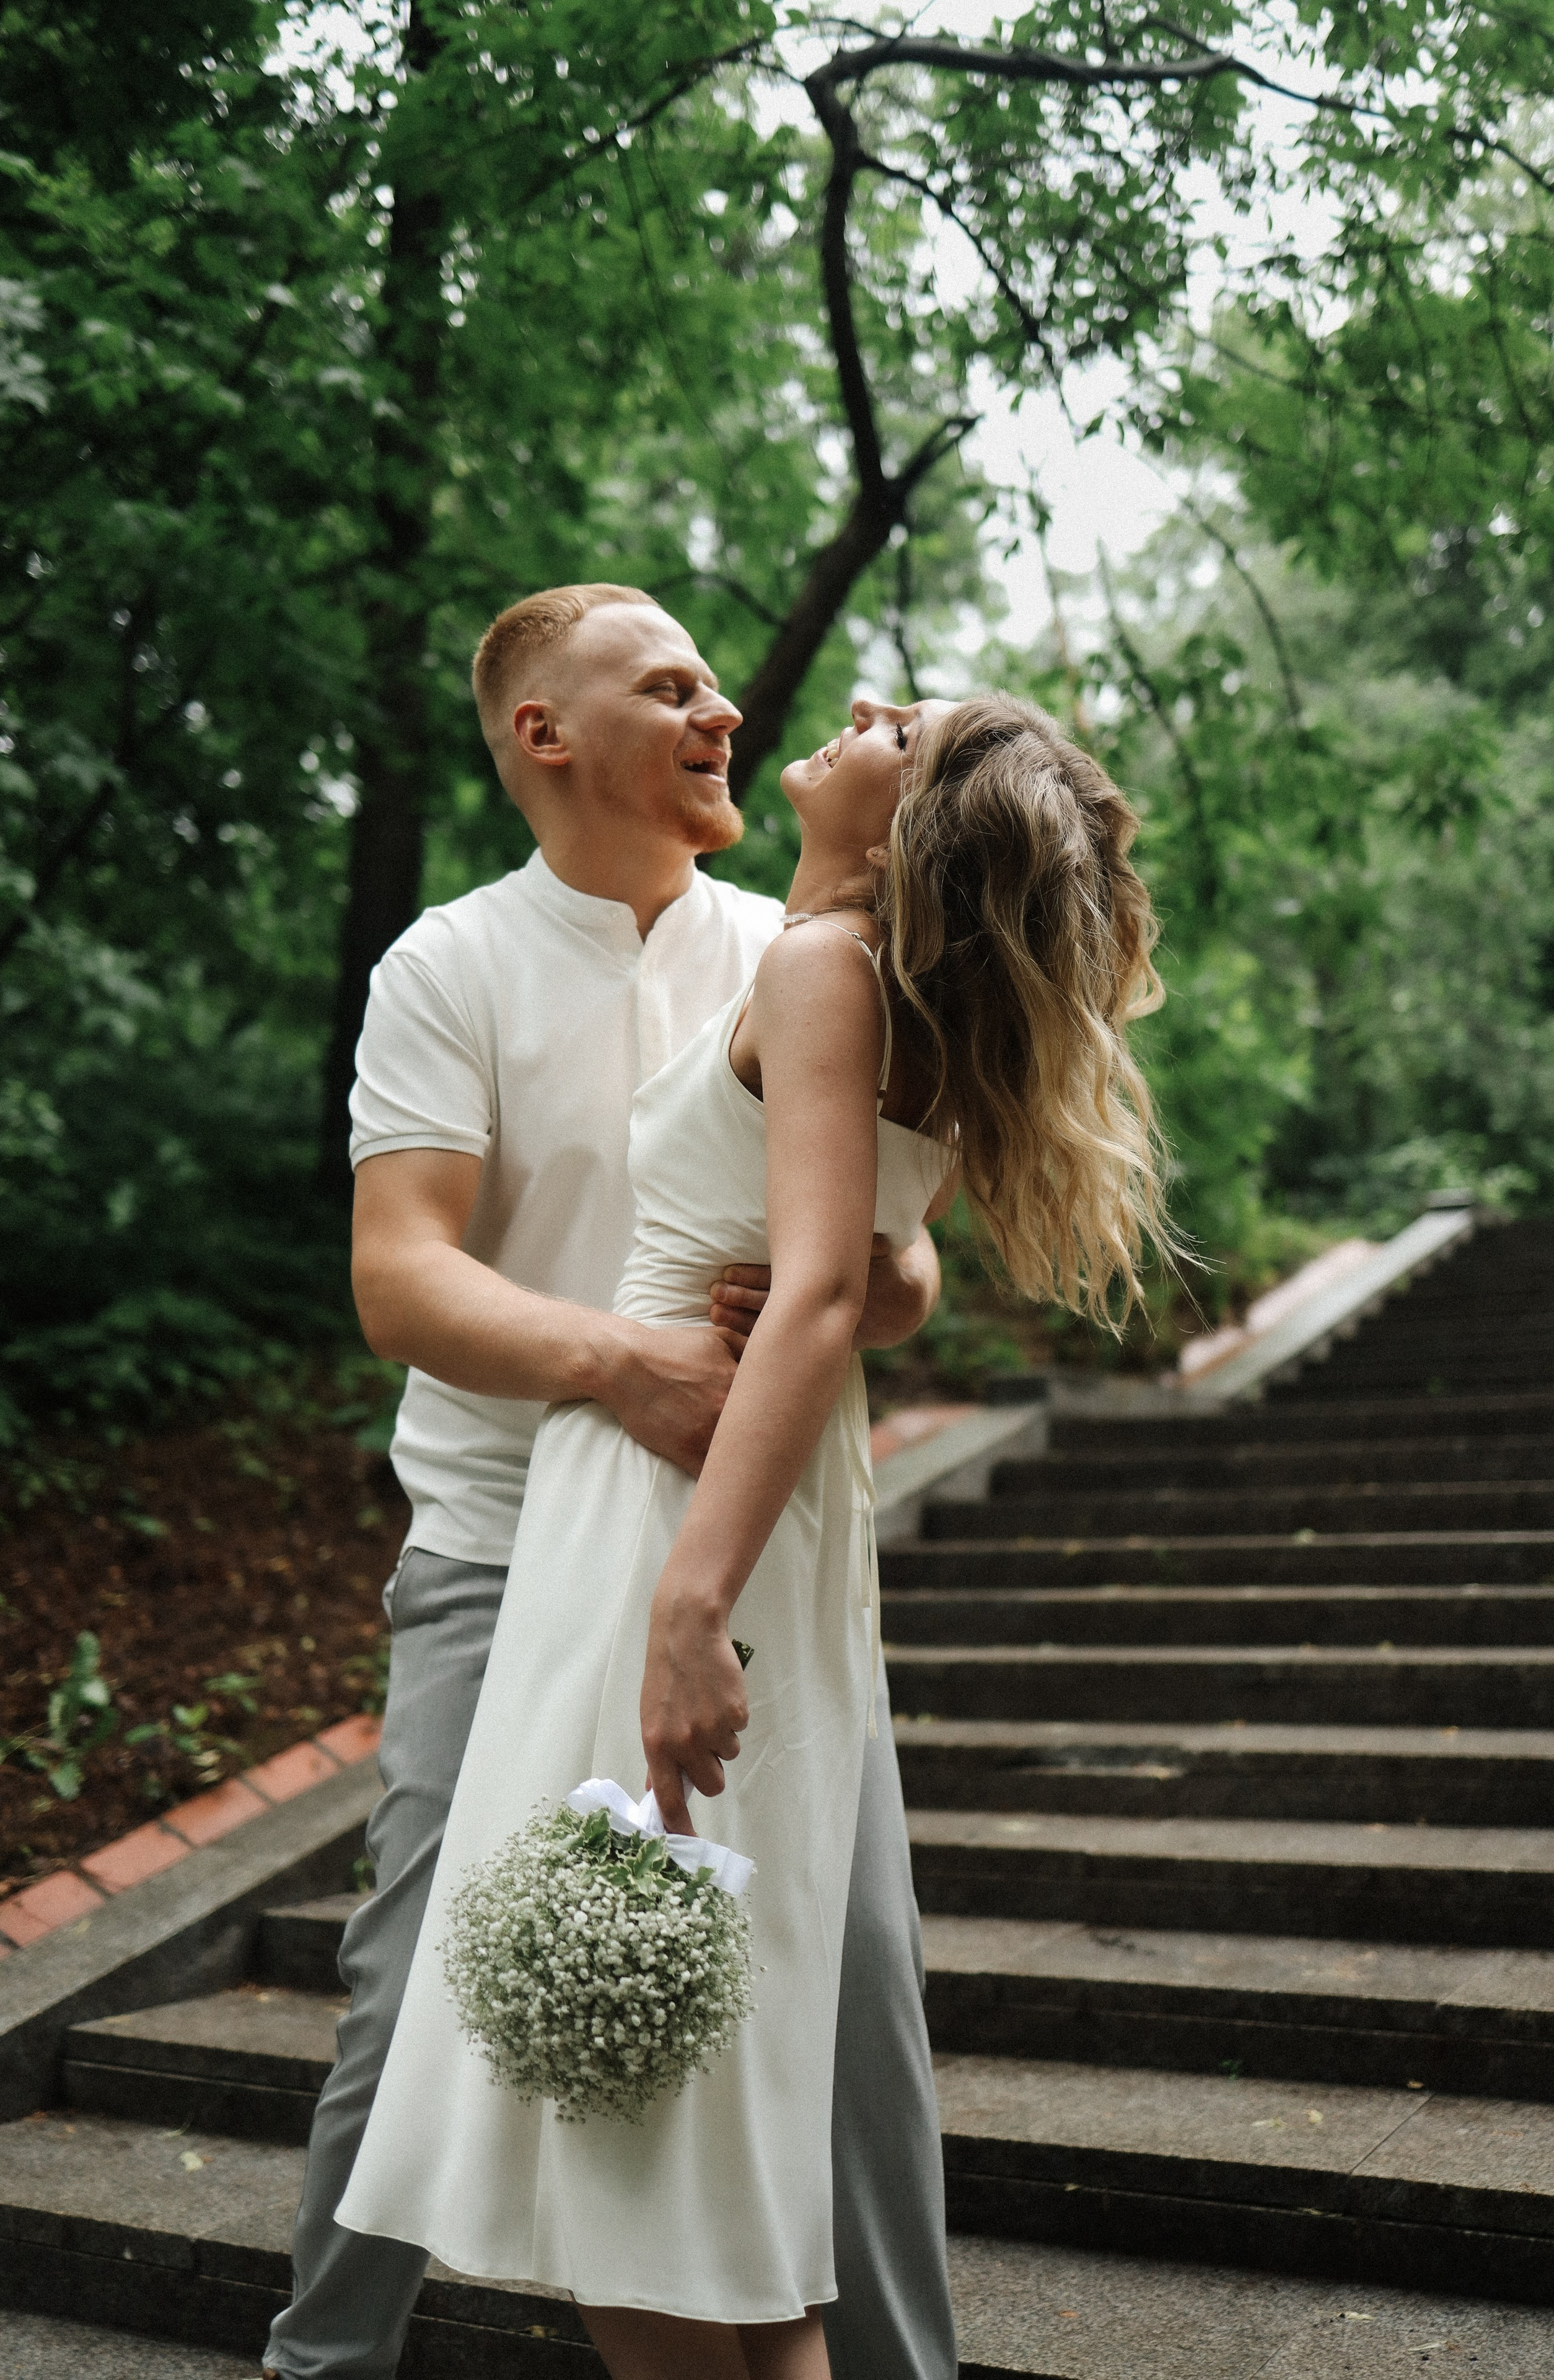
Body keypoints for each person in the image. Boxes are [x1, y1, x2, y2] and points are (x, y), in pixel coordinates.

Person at [336, 687, 1170, 2380]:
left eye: (904, 721)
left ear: (915, 812)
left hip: (674, 1511)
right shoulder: (859, 973)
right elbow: (870, 1263)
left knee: (640, 2149)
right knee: (666, 2117)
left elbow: (813, 1297)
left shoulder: (816, 971)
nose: (858, 706)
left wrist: (687, 1606)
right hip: (709, 1502)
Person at [262, 583, 951, 2380]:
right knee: (421, 1979)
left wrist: (887, 1285)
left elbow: (891, 1255)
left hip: (761, 1566)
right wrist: (618, 1360)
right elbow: (398, 1274)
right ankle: (320, 2367)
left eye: (719, 683)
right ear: (541, 735)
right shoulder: (451, 966)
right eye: (670, 688)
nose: (722, 709)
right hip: (505, 1552)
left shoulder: (801, 938)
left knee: (855, 2001)